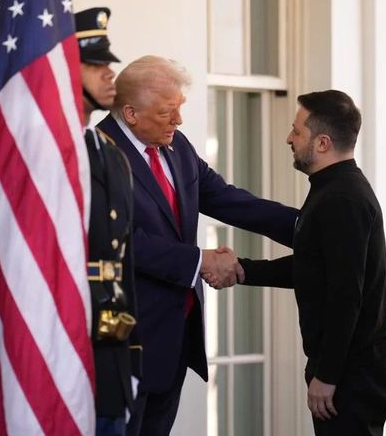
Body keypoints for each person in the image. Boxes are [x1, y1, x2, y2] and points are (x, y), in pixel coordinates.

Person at [96, 55, 298, 436]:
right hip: (124, 344)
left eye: (180, 108)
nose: (178, 120)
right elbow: (122, 241)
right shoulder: (97, 156)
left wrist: (306, 225)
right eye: (167, 112)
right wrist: (199, 260)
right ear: (131, 113)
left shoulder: (177, 147)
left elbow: (225, 198)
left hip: (176, 338)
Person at [208, 90, 386, 435]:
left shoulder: (342, 198)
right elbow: (315, 269)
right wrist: (243, 269)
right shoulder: (332, 188)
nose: (289, 139)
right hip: (348, 371)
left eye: (297, 131)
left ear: (323, 143)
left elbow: (346, 296)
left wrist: (327, 375)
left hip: (352, 377)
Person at [75, 7, 141, 436]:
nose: (109, 73)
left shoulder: (109, 153)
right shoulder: (48, 152)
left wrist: (132, 358)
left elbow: (122, 262)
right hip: (66, 343)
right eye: (95, 65)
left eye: (108, 64)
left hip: (110, 348)